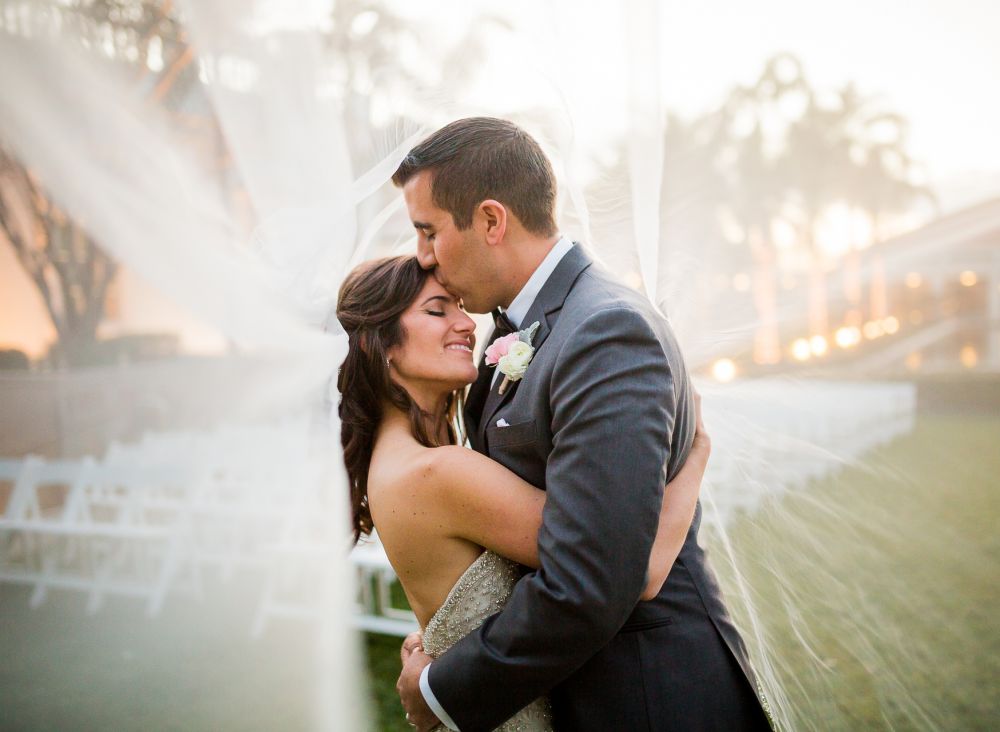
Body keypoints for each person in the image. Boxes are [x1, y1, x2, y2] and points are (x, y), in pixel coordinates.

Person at [392, 118, 772, 731]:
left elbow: (589, 582)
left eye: (428, 230)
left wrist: (443, 690)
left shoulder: (605, 331)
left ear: (491, 221)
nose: (424, 256)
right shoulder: (517, 329)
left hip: (649, 697)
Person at [337, 255, 711, 731]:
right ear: (380, 345)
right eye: (436, 312)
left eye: (457, 306)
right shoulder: (438, 471)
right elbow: (636, 571)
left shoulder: (395, 462)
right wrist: (697, 454)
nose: (466, 324)